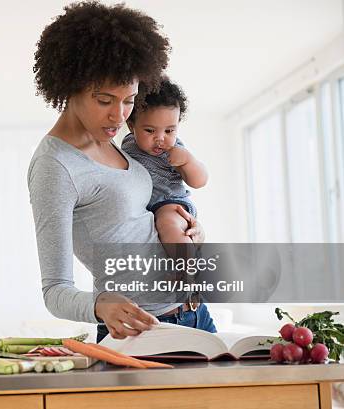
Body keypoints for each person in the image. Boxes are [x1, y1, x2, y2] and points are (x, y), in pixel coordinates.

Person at [28, 2, 216, 344]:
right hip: (141, 331)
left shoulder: (118, 142)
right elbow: (55, 291)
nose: (118, 115)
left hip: (194, 312)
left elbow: (143, 217)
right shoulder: (54, 166)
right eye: (104, 100)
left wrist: (192, 230)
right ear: (69, 87)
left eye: (129, 100)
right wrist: (101, 304)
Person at [122, 78, 208, 249]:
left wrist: (187, 161)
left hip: (170, 202)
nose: (160, 138)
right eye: (150, 130)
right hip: (144, 209)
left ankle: (187, 270)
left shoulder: (176, 150)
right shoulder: (127, 146)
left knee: (169, 224)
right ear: (132, 126)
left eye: (169, 130)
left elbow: (200, 181)